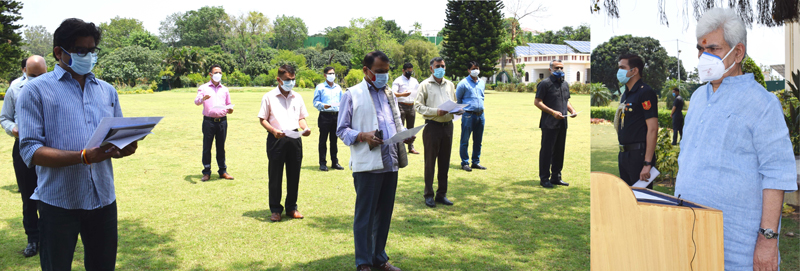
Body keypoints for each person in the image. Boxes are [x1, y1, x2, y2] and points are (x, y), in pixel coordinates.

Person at [674, 8, 798, 270]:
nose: (702, 56)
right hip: (689, 238)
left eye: (713, 49)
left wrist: (768, 242)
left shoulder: (763, 103)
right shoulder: (697, 98)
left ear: (738, 52)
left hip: (738, 249)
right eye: (699, 48)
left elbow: (776, 174)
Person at [17, 18, 141, 270]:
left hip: (103, 198)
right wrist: (83, 156)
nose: (88, 56)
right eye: (80, 50)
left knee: (102, 266)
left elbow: (114, 137)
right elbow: (30, 149)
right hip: (59, 201)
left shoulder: (107, 91)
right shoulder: (36, 91)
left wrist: (122, 148)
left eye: (92, 50)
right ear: (58, 52)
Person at [337, 50, 411, 271]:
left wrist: (405, 134)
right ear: (366, 70)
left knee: (384, 215)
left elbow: (393, 123)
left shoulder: (389, 93)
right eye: (379, 72)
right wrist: (362, 135)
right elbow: (341, 130)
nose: (384, 76)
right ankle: (364, 262)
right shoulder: (352, 94)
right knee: (365, 216)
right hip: (368, 166)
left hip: (390, 162)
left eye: (387, 72)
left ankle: (379, 257)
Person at [1, 55, 47, 257]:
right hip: (23, 146)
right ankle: (33, 239)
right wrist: (14, 129)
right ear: (24, 72)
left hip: (51, 146)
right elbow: (4, 117)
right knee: (28, 195)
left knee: (50, 194)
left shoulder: (56, 87)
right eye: (32, 75)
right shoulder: (15, 90)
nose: (36, 79)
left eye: (41, 75)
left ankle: (50, 236)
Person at [258, 64, 311, 222]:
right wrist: (274, 131)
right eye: (288, 80)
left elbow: (301, 117)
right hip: (276, 138)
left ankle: (291, 208)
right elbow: (263, 119)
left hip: (294, 137)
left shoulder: (298, 97)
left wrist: (305, 127)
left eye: (293, 79)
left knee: (294, 174)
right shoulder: (269, 97)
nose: (291, 82)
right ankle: (275, 209)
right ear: (279, 79)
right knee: (275, 175)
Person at [414, 57, 460, 207]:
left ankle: (442, 194)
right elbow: (418, 106)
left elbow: (454, 103)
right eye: (438, 66)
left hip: (447, 126)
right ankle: (428, 194)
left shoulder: (450, 85)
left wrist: (459, 110)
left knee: (444, 162)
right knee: (430, 162)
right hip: (432, 127)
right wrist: (435, 111)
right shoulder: (424, 85)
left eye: (443, 66)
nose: (441, 68)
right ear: (431, 68)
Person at [614, 54, 658, 189]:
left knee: (641, 199)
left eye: (622, 67)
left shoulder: (645, 92)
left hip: (638, 156)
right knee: (627, 198)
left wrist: (647, 163)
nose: (619, 71)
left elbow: (652, 129)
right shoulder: (626, 94)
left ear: (634, 70)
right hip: (624, 154)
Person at [534, 60, 577, 188]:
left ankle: (556, 177)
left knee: (559, 151)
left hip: (562, 123)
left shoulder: (564, 84)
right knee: (547, 152)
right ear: (550, 69)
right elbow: (537, 102)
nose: (560, 70)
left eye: (561, 68)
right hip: (549, 123)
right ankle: (544, 178)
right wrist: (553, 113)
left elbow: (566, 100)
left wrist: (572, 110)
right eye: (557, 68)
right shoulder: (545, 84)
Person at [194, 65, 234, 182]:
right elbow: (196, 102)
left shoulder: (225, 89)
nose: (218, 74)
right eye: (216, 72)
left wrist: (230, 110)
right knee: (207, 147)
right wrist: (202, 99)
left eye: (220, 72)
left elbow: (228, 104)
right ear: (210, 74)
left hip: (222, 121)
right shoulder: (204, 88)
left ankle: (223, 171)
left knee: (221, 147)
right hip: (209, 121)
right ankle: (206, 172)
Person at [456, 61, 487, 172]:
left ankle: (475, 162)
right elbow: (459, 99)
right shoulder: (463, 83)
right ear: (469, 70)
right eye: (473, 68)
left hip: (480, 114)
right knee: (465, 139)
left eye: (477, 68)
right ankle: (465, 162)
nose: (476, 70)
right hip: (468, 115)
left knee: (478, 140)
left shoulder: (481, 82)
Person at [312, 66, 344, 171]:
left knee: (334, 140)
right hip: (325, 116)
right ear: (325, 75)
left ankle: (335, 162)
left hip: (336, 115)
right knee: (323, 140)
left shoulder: (338, 88)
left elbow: (342, 101)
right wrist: (323, 105)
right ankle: (322, 163)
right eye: (330, 74)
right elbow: (315, 102)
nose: (332, 76)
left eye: (333, 73)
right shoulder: (320, 87)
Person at [391, 62, 420, 154]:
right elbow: (393, 93)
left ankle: (411, 147)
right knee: (400, 128)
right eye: (408, 71)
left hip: (411, 106)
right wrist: (403, 94)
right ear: (403, 70)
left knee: (411, 128)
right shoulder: (398, 81)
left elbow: (419, 90)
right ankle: (400, 148)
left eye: (411, 71)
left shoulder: (414, 81)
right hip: (401, 105)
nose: (410, 73)